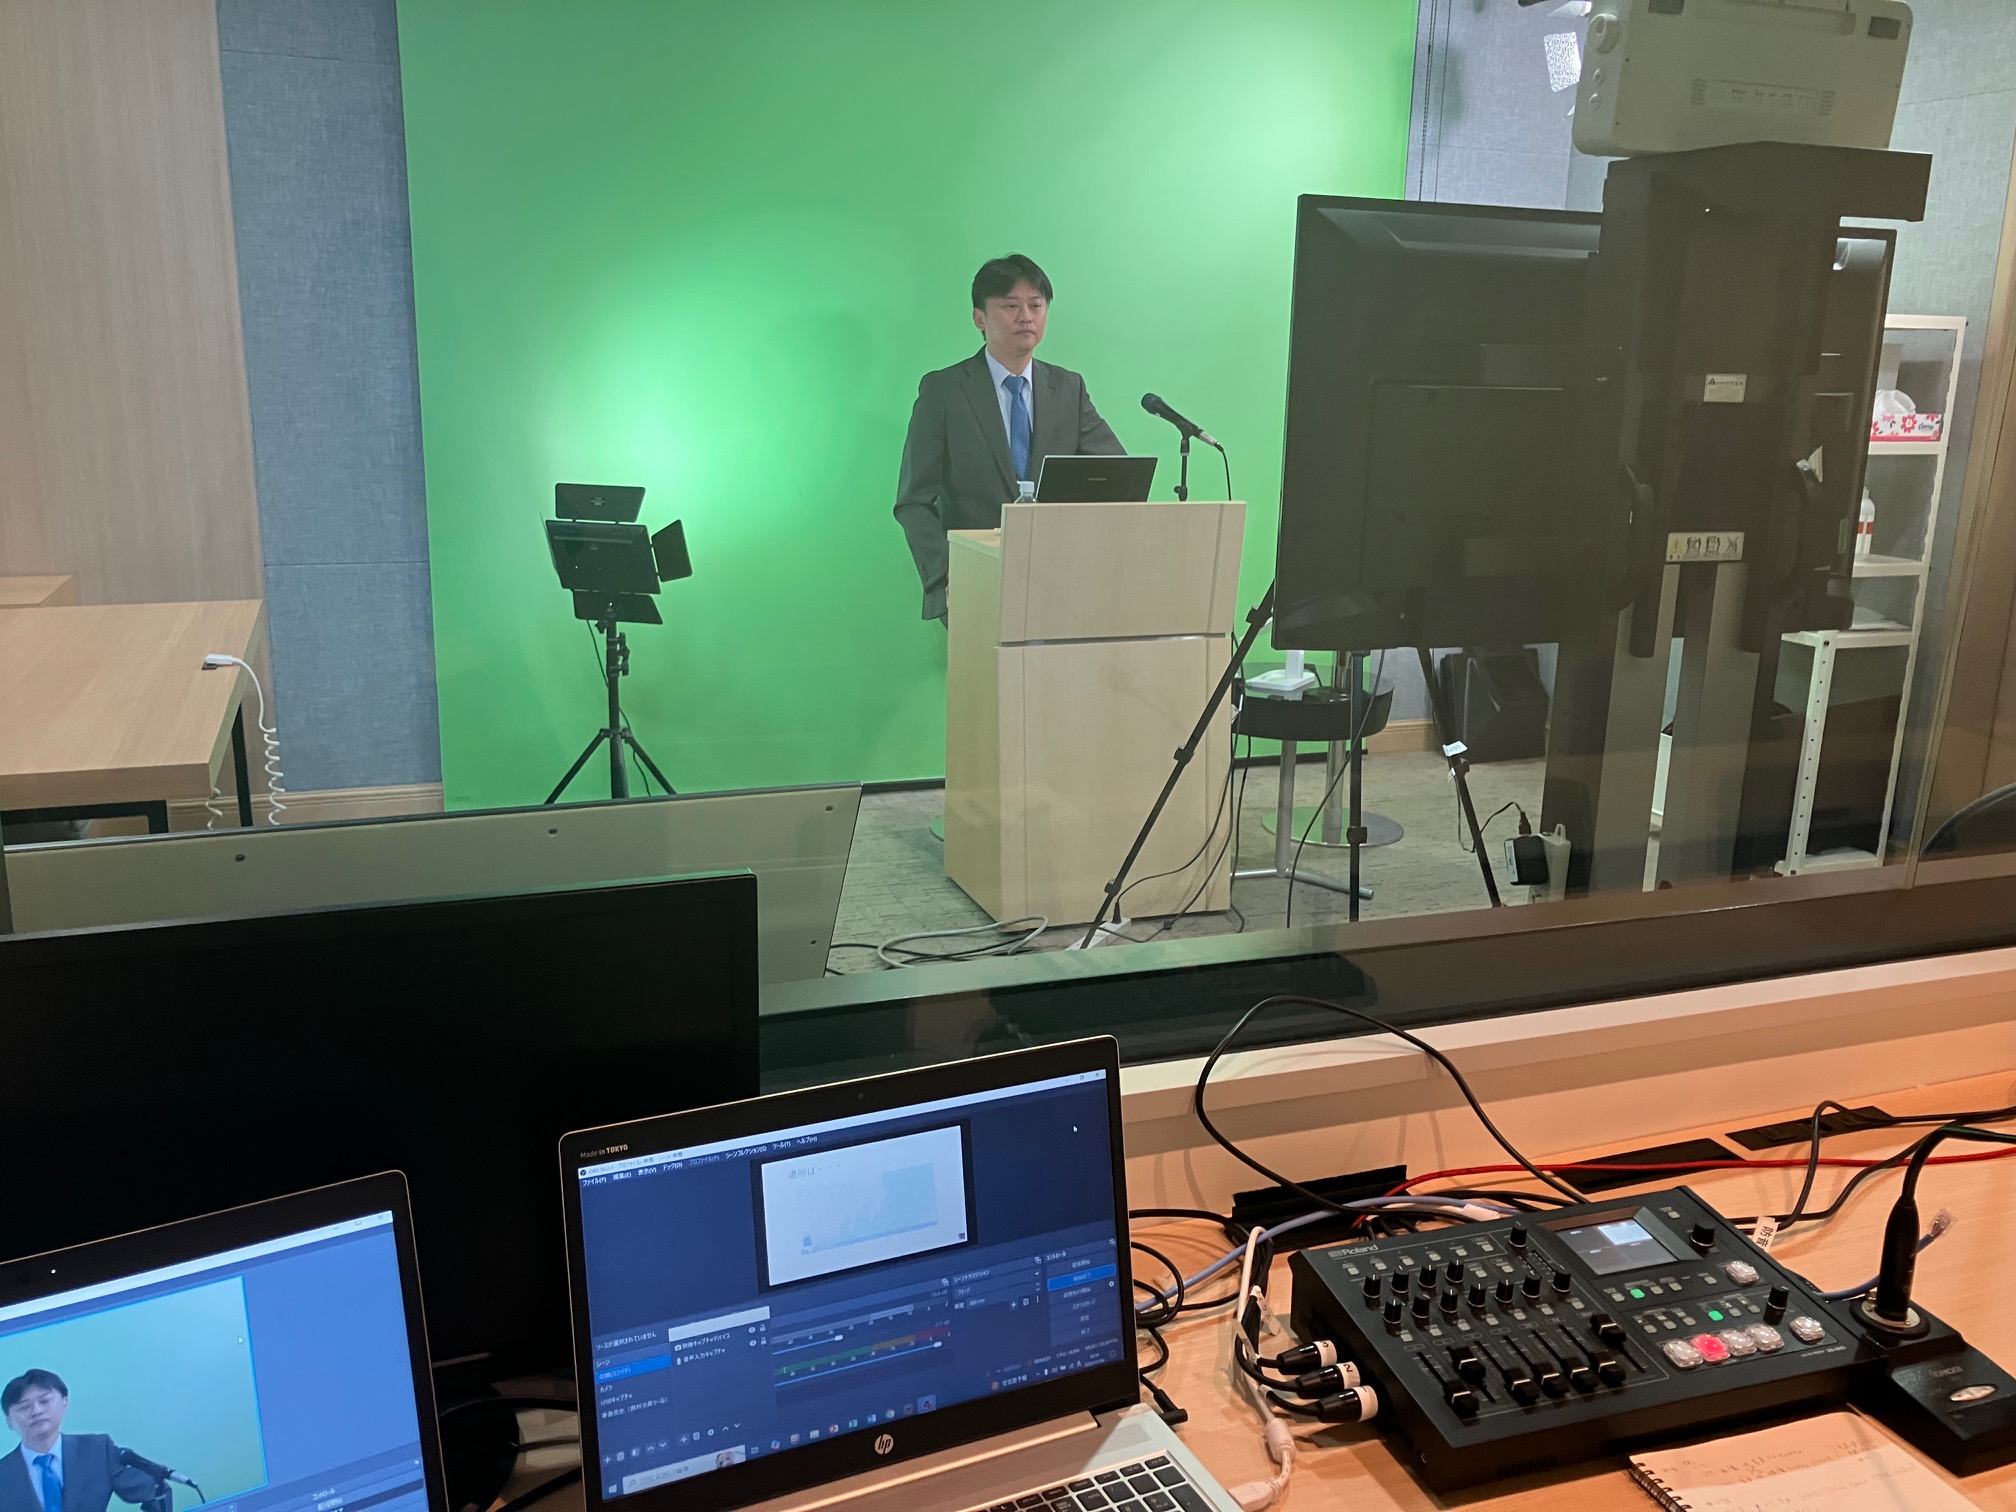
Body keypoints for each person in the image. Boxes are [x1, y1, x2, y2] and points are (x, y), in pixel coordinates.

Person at [894, 254, 1125, 622]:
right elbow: (913, 501)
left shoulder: (1068, 388)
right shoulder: (945, 391)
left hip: (1061, 580)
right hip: (976, 579)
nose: (1026, 317)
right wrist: (947, 576)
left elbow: (1118, 476)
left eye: (1036, 305)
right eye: (1010, 306)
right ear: (979, 318)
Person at [0, 1371, 160, 1512]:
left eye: (44, 1401)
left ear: (64, 1403)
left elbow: (155, 1490)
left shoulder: (97, 1451)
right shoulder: (3, 1473)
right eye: (23, 1407)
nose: (36, 1411)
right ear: (9, 1421)